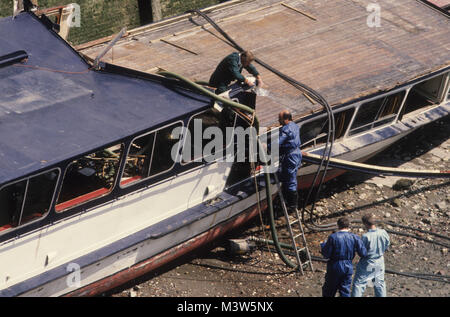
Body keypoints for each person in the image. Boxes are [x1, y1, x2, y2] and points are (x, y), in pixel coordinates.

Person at [320, 217, 367, 297]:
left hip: (335, 265)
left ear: (338, 225)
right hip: (348, 266)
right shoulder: (354, 237)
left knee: (329, 290)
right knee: (345, 290)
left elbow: (326, 254)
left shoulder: (333, 237)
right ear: (348, 225)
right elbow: (363, 253)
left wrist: (323, 245)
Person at [351, 214, 390, 297]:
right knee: (378, 283)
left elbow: (362, 251)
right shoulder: (383, 232)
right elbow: (387, 244)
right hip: (379, 261)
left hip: (367, 262)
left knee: (359, 284)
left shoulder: (366, 236)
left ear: (365, 224)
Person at [278, 110, 301, 211]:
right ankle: (287, 200)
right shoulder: (295, 125)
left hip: (290, 157)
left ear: (286, 119)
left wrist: (267, 146)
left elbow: (278, 143)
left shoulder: (286, 129)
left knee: (291, 180)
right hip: (296, 153)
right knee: (287, 177)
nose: (278, 120)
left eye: (280, 119)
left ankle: (292, 205)